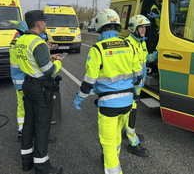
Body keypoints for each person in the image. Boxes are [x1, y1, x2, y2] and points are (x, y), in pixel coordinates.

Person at [74, 9, 143, 174]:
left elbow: (88, 82)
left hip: (108, 105)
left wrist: (79, 98)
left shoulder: (97, 49)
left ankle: (113, 169)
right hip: (127, 103)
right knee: (117, 137)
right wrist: (131, 91)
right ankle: (112, 160)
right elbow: (138, 76)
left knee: (108, 143)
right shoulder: (129, 45)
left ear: (99, 26)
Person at [16, 10, 64, 174]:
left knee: (28, 124)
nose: (45, 23)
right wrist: (57, 63)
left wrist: (47, 58)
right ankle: (42, 167)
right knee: (42, 128)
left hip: (27, 84)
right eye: (44, 21)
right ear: (38, 23)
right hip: (39, 88)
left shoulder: (22, 40)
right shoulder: (39, 43)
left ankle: (26, 162)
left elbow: (32, 61)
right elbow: (48, 71)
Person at [123, 15, 158, 158]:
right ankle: (132, 143)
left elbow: (146, 59)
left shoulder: (141, 43)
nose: (144, 30)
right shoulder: (127, 44)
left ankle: (128, 132)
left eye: (144, 27)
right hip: (130, 86)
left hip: (138, 85)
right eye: (141, 27)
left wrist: (157, 54)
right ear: (133, 28)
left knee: (130, 111)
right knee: (131, 113)